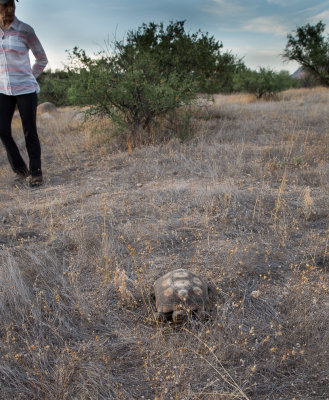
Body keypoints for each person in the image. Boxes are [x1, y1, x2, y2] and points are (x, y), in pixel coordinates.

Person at [0, 0, 48, 186]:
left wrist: (30, 76)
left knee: (29, 131)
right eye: (5, 4)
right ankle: (20, 169)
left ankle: (36, 172)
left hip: (26, 89)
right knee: (2, 129)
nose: (9, 7)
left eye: (10, 4)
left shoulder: (25, 30)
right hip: (3, 90)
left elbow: (42, 59)